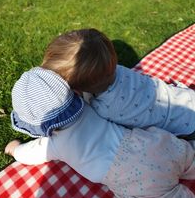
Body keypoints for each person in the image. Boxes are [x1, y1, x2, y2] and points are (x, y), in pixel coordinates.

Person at [6, 67, 195, 198]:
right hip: (155, 143)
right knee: (189, 160)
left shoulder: (52, 144)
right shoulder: (91, 104)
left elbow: (30, 153)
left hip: (135, 178)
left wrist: (15, 149)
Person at [42, 28, 195, 138]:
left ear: (78, 90)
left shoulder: (103, 110)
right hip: (185, 98)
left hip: (183, 125)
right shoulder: (118, 70)